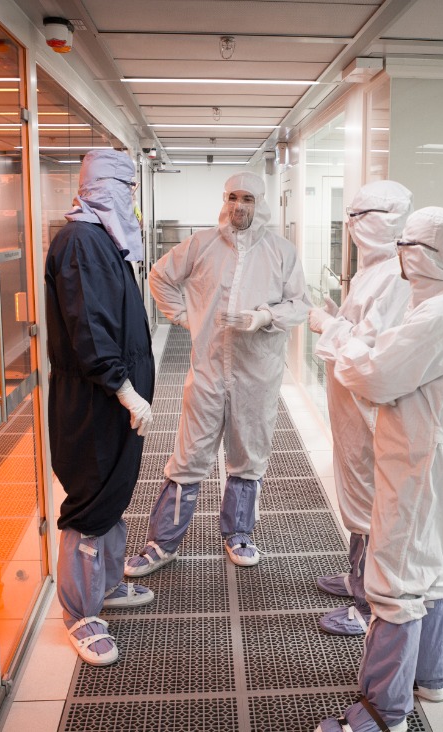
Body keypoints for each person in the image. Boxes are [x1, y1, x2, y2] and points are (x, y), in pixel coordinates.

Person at [311, 207, 443, 732]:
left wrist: (341, 336)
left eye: (407, 246)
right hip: (429, 453)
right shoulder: (442, 304)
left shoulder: (436, 315)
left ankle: (382, 714)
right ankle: (431, 675)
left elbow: (378, 375)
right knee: (428, 568)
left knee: (394, 580)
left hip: (416, 459)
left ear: (420, 255)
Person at [126, 171, 308, 575]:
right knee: (188, 456)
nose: (238, 206)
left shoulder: (281, 252)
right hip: (207, 369)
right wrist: (188, 317)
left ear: (259, 204)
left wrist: (263, 317)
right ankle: (162, 543)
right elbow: (159, 277)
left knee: (247, 457)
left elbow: (300, 305)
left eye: (247, 199)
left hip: (256, 372)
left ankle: (238, 533)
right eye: (232, 197)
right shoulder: (202, 244)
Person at [44, 149, 155, 667]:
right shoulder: (81, 241)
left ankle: (106, 585)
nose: (129, 200)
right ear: (96, 187)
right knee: (90, 504)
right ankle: (80, 612)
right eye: (123, 187)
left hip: (113, 396)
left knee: (112, 494)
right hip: (94, 398)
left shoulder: (104, 240)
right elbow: (90, 326)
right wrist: (122, 386)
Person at [308, 181, 413, 636]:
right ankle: (357, 579)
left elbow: (371, 350)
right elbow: (358, 328)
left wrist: (329, 324)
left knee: (373, 502)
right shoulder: (373, 271)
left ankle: (369, 604)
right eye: (349, 217)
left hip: (370, 410)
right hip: (350, 407)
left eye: (360, 218)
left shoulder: (395, 276)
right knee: (356, 494)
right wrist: (338, 318)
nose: (351, 228)